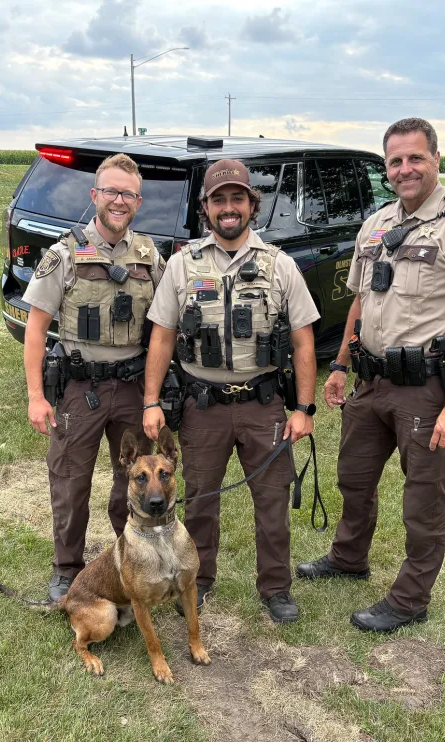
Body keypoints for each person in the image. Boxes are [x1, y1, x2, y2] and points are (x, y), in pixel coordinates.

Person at [296, 118, 445, 632]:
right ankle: (349, 558)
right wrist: (341, 363)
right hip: (371, 381)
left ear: (436, 158)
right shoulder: (376, 226)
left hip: (426, 390)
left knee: (422, 499)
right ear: (386, 168)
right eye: (395, 161)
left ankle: (411, 599)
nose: (405, 169)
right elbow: (361, 303)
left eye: (415, 158)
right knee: (354, 478)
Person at [141, 159, 319, 623]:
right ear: (205, 207)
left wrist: (303, 408)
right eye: (218, 199)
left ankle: (276, 587)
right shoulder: (182, 265)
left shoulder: (279, 266)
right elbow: (161, 335)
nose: (228, 208)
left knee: (272, 500)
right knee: (199, 499)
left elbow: (303, 341)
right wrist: (151, 400)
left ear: (251, 205)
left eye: (237, 198)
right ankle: (196, 581)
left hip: (264, 404)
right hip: (203, 406)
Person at [22, 153, 165, 602]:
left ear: (138, 201)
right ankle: (68, 568)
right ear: (95, 196)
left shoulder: (149, 255)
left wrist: (154, 396)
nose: (119, 200)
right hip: (80, 389)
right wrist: (34, 396)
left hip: (132, 387)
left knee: (135, 479)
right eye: (111, 191)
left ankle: (137, 559)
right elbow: (36, 325)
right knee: (70, 480)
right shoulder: (64, 253)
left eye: (128, 193)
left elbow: (163, 325)